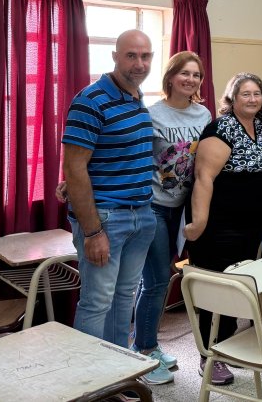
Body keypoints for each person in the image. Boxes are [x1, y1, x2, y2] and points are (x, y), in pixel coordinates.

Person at [62, 29, 157, 347]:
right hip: (105, 220)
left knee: (123, 302)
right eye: (131, 55)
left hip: (140, 217)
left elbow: (110, 158)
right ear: (115, 57)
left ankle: (117, 377)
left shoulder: (136, 97)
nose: (139, 63)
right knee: (97, 304)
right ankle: (90, 387)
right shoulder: (91, 100)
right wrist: (91, 233)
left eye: (145, 56)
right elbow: (74, 169)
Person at [184, 72, 262, 385]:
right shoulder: (222, 128)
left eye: (257, 94)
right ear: (232, 98)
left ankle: (226, 347)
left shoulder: (258, 126)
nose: (252, 99)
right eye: (245, 94)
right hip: (220, 226)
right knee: (216, 291)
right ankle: (209, 356)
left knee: (237, 285)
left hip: (250, 226)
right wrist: (199, 224)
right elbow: (204, 179)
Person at [132, 51, 211, 384]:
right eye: (184, 73)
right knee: (156, 280)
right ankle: (144, 351)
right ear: (171, 76)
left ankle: (147, 343)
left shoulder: (204, 113)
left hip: (183, 207)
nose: (190, 80)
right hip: (154, 206)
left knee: (159, 279)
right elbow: (132, 155)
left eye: (196, 75)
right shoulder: (152, 114)